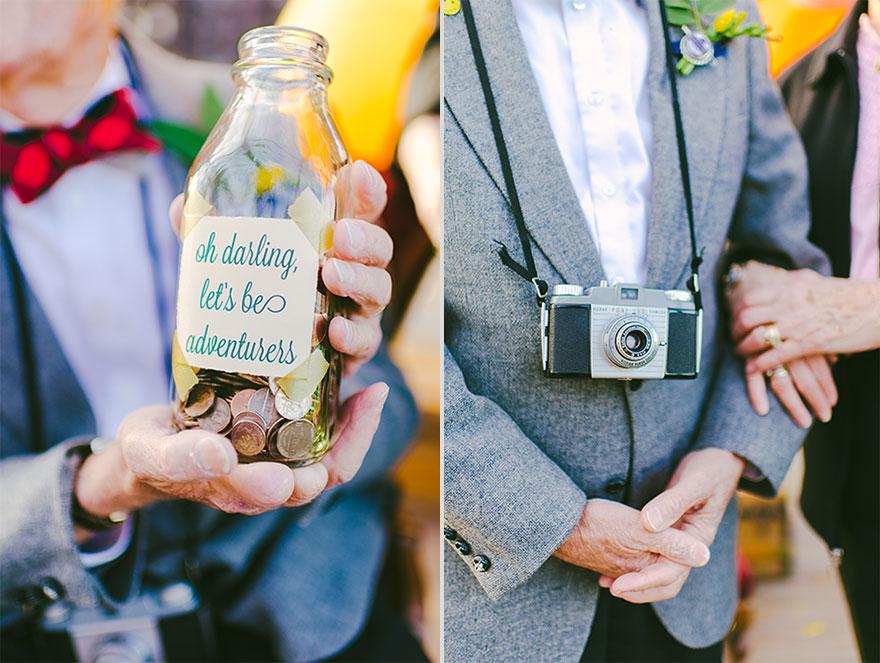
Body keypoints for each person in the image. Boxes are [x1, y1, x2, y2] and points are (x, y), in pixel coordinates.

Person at [0, 1, 420, 660]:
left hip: (310, 618)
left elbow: (394, 403)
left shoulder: (265, 116)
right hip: (38, 625)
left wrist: (330, 382)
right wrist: (91, 491)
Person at [442, 0, 828, 660]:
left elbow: (783, 258)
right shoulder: (425, 32)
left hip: (687, 576)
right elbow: (381, 332)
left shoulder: (723, 16)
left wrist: (731, 450)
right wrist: (550, 518)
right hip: (501, 601)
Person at [726, 1, 880, 659]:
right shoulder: (795, 89)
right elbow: (747, 247)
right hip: (862, 491)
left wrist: (861, 311)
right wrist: (749, 289)